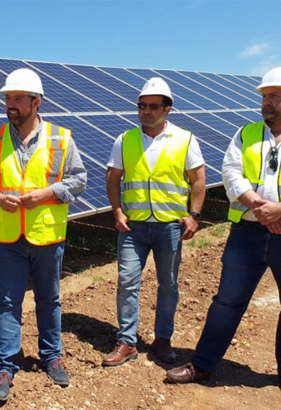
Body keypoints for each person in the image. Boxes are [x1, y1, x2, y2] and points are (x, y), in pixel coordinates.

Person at [166, 67, 281, 401]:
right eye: (263, 96)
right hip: (247, 233)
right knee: (227, 301)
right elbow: (231, 174)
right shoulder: (245, 135)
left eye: (273, 96)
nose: (266, 102)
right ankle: (203, 364)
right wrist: (261, 207)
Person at [0, 68, 87, 402]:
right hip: (6, 237)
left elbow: (79, 179)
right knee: (7, 302)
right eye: (8, 98)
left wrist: (47, 193)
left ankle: (52, 356)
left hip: (47, 235)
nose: (11, 105)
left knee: (50, 299)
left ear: (37, 102)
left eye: (18, 99)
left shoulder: (61, 138)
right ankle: (5, 366)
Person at [102, 78, 206, 367]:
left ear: (167, 108)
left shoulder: (185, 139)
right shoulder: (125, 139)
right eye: (141, 106)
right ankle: (127, 341)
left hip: (170, 225)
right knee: (127, 282)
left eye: (152, 106)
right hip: (132, 226)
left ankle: (163, 340)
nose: (145, 111)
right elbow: (113, 177)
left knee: (168, 285)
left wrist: (194, 215)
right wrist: (117, 212)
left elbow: (198, 179)